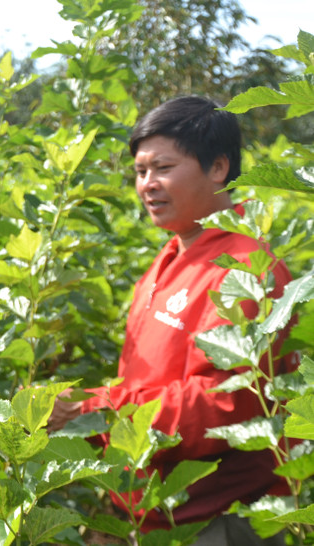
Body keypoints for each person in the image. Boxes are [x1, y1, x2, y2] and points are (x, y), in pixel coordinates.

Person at [49, 96, 297, 543]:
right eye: (140, 172)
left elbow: (224, 406)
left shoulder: (245, 270)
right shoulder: (167, 260)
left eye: (162, 168)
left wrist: (94, 411)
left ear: (218, 168)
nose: (147, 184)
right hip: (150, 512)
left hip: (216, 520)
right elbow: (151, 380)